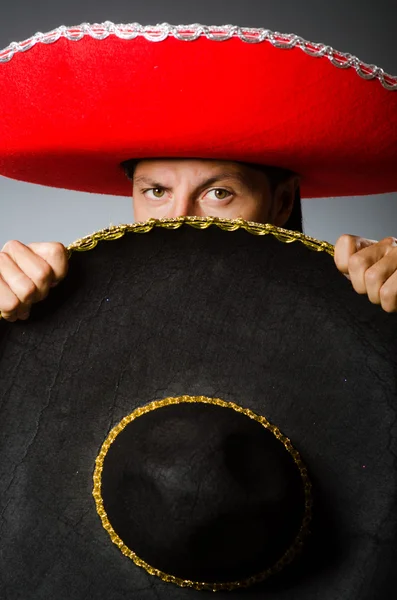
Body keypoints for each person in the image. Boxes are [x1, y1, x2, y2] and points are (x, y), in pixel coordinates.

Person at [0, 156, 396, 322]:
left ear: (282, 201)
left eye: (218, 193)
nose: (179, 222)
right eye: (157, 192)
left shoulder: (356, 307)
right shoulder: (62, 310)